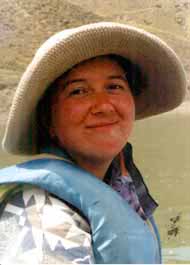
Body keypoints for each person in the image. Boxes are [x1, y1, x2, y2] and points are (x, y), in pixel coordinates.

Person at [0, 22, 187, 264]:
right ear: (48, 120)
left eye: (114, 87)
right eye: (78, 91)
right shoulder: (40, 215)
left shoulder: (119, 187)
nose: (103, 106)